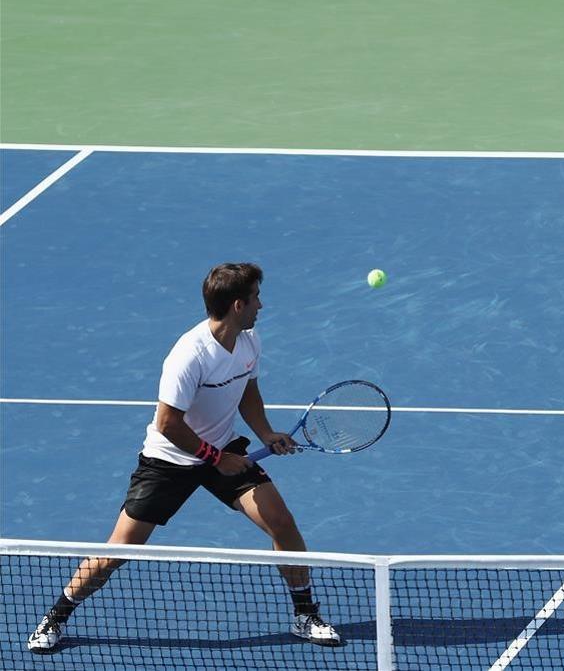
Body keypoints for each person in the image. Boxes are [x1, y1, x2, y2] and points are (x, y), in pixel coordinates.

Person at [27, 263, 342, 652]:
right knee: (120, 549)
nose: (262, 305)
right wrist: (216, 458)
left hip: (222, 447)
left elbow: (248, 392)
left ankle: (305, 614)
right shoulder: (188, 355)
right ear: (238, 304)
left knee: (281, 522)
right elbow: (167, 423)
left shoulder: (249, 341)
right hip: (170, 459)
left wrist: (265, 433)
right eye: (257, 297)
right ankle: (55, 617)